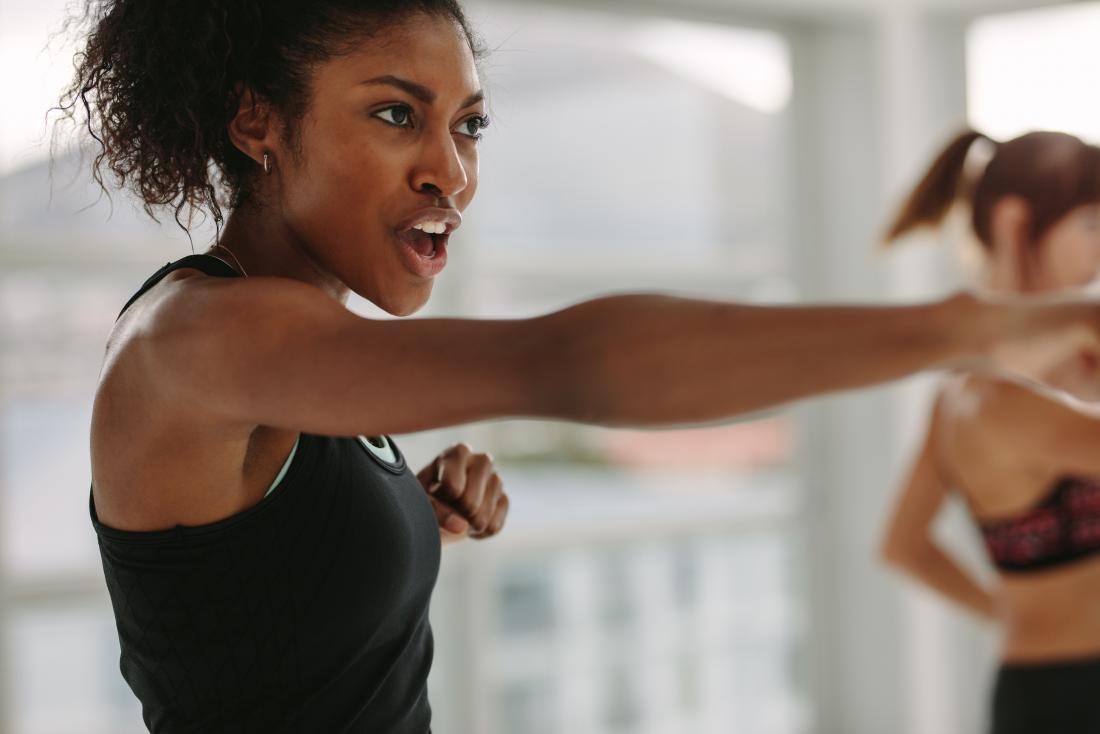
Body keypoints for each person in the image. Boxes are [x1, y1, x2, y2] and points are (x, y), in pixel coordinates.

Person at [58, 1, 1100, 730]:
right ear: (255, 122)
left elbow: (244, 627)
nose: (450, 170)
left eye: (468, 124)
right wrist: (977, 327)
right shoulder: (201, 336)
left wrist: (408, 516)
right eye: (394, 113)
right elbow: (568, 362)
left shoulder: (302, 353)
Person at [880, 129, 1100, 733]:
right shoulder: (990, 400)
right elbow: (903, 550)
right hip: (1067, 697)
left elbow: (901, 544)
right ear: (1013, 222)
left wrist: (1007, 613)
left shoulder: (1040, 376)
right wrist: (1011, 613)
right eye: (1089, 224)